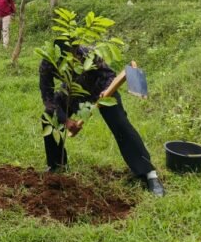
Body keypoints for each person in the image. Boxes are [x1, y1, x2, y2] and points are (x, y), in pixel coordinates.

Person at [38, 42, 165, 196]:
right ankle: (57, 165)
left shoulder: (88, 53)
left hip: (101, 90)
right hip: (73, 92)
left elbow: (109, 75)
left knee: (121, 124)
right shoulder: (48, 61)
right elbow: (47, 95)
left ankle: (149, 174)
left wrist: (106, 91)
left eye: (74, 54)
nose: (73, 58)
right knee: (49, 118)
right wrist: (65, 119)